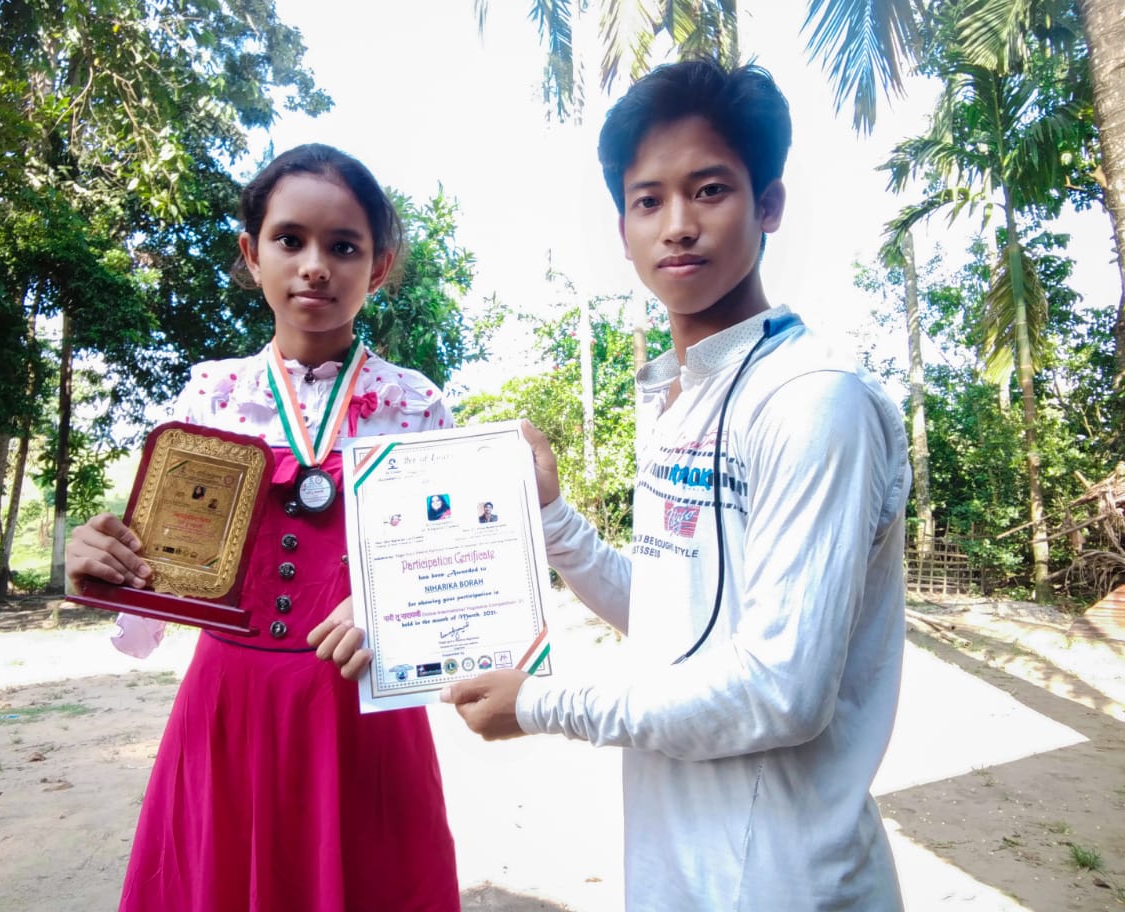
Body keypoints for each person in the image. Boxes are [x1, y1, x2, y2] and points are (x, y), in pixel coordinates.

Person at [441, 60, 911, 909]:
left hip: (785, 878)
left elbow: (782, 691)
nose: (679, 226)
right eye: (649, 201)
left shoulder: (815, 401)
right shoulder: (678, 395)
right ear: (623, 229)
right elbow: (672, 619)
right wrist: (550, 516)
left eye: (710, 190)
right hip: (673, 867)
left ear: (768, 206)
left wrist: (544, 704)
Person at [65, 144, 460, 912]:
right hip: (228, 710)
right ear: (252, 255)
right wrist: (102, 560)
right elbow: (160, 574)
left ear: (377, 267)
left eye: (344, 246)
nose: (315, 265)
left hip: (364, 717)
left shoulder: (416, 407)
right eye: (290, 240)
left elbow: (453, 585)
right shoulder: (209, 395)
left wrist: (398, 608)